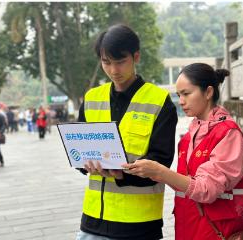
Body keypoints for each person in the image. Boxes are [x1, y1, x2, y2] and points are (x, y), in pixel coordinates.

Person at [123, 63, 243, 239]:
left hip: (219, 232)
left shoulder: (228, 134)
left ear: (208, 92)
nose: (181, 101)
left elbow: (206, 189)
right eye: (179, 95)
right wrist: (151, 172)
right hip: (189, 228)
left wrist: (160, 171)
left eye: (186, 93)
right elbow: (186, 183)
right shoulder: (188, 137)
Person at [76, 24, 178, 240]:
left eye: (121, 62)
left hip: (138, 226)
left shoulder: (159, 101)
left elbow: (161, 161)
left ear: (136, 57)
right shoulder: (92, 98)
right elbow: (78, 151)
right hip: (93, 221)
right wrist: (84, 164)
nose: (114, 70)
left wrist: (122, 173)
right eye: (106, 62)